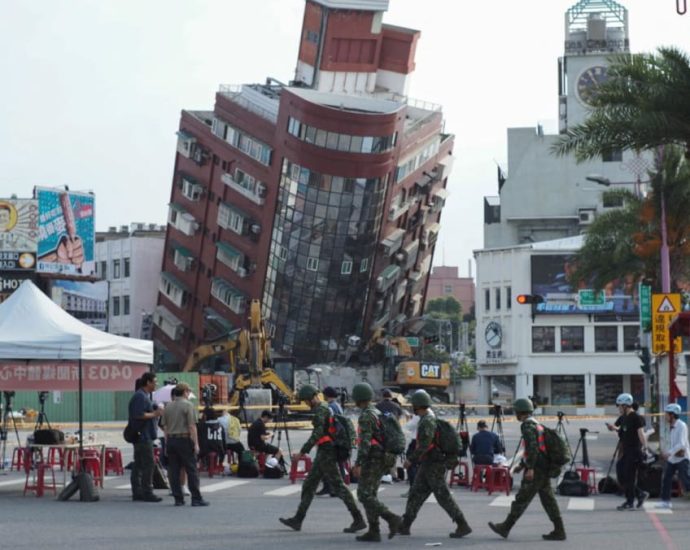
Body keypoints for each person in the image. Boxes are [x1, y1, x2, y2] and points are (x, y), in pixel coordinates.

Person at [279, 384, 366, 533]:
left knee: (339, 487)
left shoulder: (321, 410)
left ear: (313, 397)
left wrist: (302, 452)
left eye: (307, 401)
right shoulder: (325, 407)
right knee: (309, 485)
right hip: (324, 453)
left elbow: (317, 434)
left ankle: (358, 519)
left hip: (328, 452)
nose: (306, 404)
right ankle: (297, 520)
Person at [488, 398, 565, 541]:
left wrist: (529, 468)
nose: (515, 414)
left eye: (516, 411)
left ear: (520, 412)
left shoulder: (527, 426)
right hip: (543, 466)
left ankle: (505, 527)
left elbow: (533, 448)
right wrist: (522, 465)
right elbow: (536, 449)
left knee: (522, 498)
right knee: (548, 499)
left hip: (537, 468)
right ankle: (559, 530)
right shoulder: (536, 424)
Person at [400, 390, 472, 538]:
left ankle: (462, 524)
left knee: (442, 496)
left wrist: (411, 459)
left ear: (417, 406)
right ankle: (405, 525)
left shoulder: (427, 421)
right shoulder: (428, 418)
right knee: (416, 494)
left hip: (434, 464)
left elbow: (425, 445)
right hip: (428, 463)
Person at [351, 382, 402, 542]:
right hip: (382, 458)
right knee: (370, 494)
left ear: (358, 398)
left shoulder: (366, 415)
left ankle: (392, 518)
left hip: (374, 459)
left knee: (364, 494)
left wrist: (358, 463)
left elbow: (365, 442)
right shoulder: (376, 411)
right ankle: (374, 530)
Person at [162, 382, 209, 507]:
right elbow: (192, 426)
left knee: (174, 471)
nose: (189, 394)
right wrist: (196, 444)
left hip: (172, 440)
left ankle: (178, 498)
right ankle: (196, 498)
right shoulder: (188, 405)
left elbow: (165, 427)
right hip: (184, 440)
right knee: (191, 469)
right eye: (188, 392)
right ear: (184, 392)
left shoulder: (168, 406)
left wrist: (167, 443)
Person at [128, 372, 163, 502]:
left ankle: (138, 492)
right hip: (143, 436)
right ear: (148, 382)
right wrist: (155, 414)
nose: (156, 384)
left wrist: (155, 409)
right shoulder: (140, 397)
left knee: (139, 464)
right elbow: (139, 415)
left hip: (145, 435)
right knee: (148, 464)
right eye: (155, 381)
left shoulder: (145, 396)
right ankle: (147, 491)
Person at [612, 393, 648, 511]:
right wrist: (614, 428)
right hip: (626, 451)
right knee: (621, 474)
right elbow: (622, 431)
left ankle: (630, 501)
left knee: (629, 476)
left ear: (626, 405)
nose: (619, 408)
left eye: (620, 406)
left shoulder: (635, 417)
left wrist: (645, 447)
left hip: (634, 451)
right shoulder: (625, 418)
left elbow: (641, 433)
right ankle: (639, 494)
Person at [655, 403, 690, 509]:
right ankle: (666, 501)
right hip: (673, 459)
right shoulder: (671, 426)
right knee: (666, 479)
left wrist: (669, 452)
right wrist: (666, 453)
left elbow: (682, 444)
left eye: (667, 414)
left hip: (682, 458)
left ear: (673, 415)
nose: (665, 416)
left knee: (685, 481)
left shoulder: (682, 425)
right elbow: (672, 443)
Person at [316, 386, 343, 497]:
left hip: (331, 438)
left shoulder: (330, 407)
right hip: (338, 438)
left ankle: (332, 488)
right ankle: (330, 487)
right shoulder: (338, 406)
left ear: (326, 395)